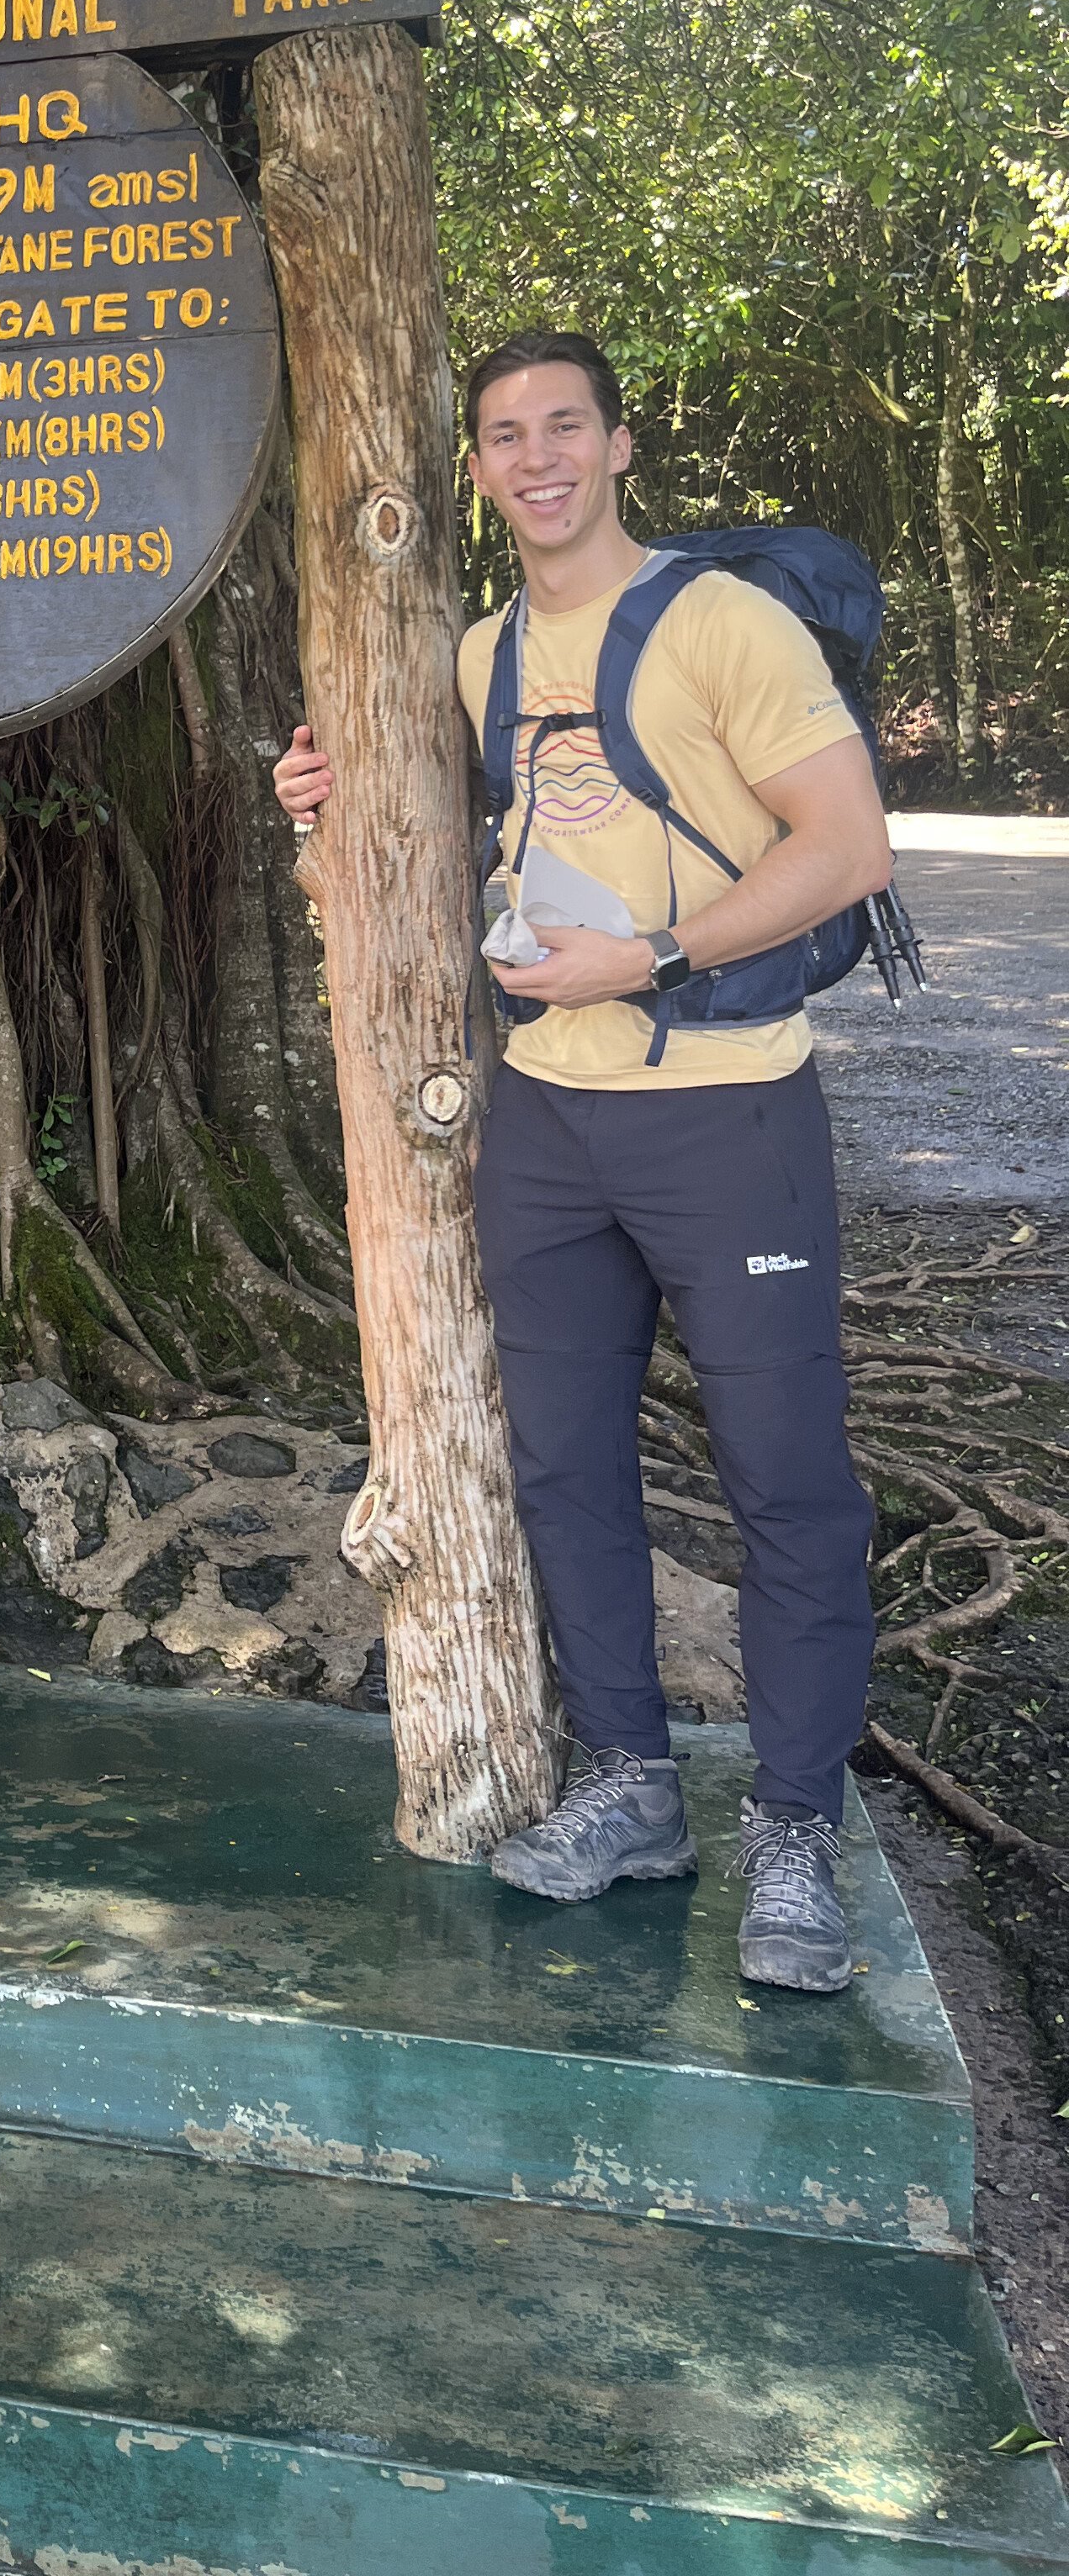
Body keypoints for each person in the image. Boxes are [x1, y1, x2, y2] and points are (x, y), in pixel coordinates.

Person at [272, 331, 892, 1992]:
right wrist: (321, 813)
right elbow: (422, 876)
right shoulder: (478, 654)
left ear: (620, 446)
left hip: (728, 1108)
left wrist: (662, 959)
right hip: (545, 1115)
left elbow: (848, 849)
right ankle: (631, 1786)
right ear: (476, 471)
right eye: (502, 435)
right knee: (562, 1468)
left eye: (564, 427)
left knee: (787, 1483)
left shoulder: (722, 626)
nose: (535, 456)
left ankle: (793, 1830)